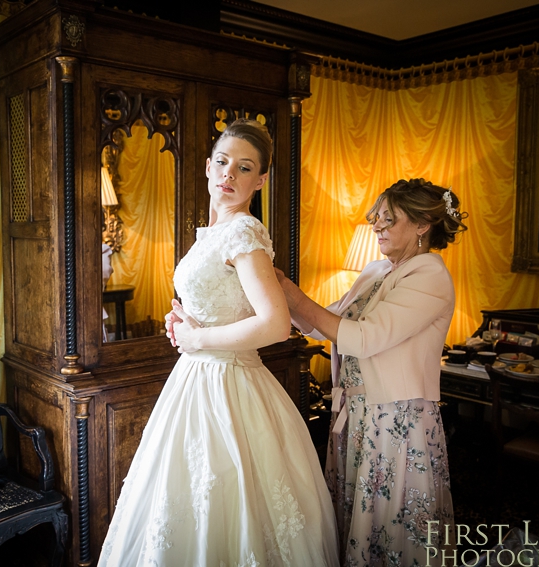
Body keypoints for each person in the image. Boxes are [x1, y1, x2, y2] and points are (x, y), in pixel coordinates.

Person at [99, 119, 340, 566]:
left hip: (228, 383)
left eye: (245, 168)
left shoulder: (243, 232)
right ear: (209, 167)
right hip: (196, 379)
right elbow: (228, 304)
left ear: (261, 180)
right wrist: (186, 320)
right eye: (224, 163)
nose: (230, 175)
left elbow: (273, 324)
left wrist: (196, 335)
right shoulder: (213, 233)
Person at [275, 178, 466, 566]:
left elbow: (363, 339)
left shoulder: (429, 275)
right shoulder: (376, 271)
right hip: (358, 416)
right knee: (357, 519)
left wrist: (292, 294)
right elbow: (323, 323)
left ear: (422, 225)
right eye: (375, 218)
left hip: (398, 421)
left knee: (389, 526)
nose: (376, 226)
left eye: (388, 218)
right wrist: (276, 292)